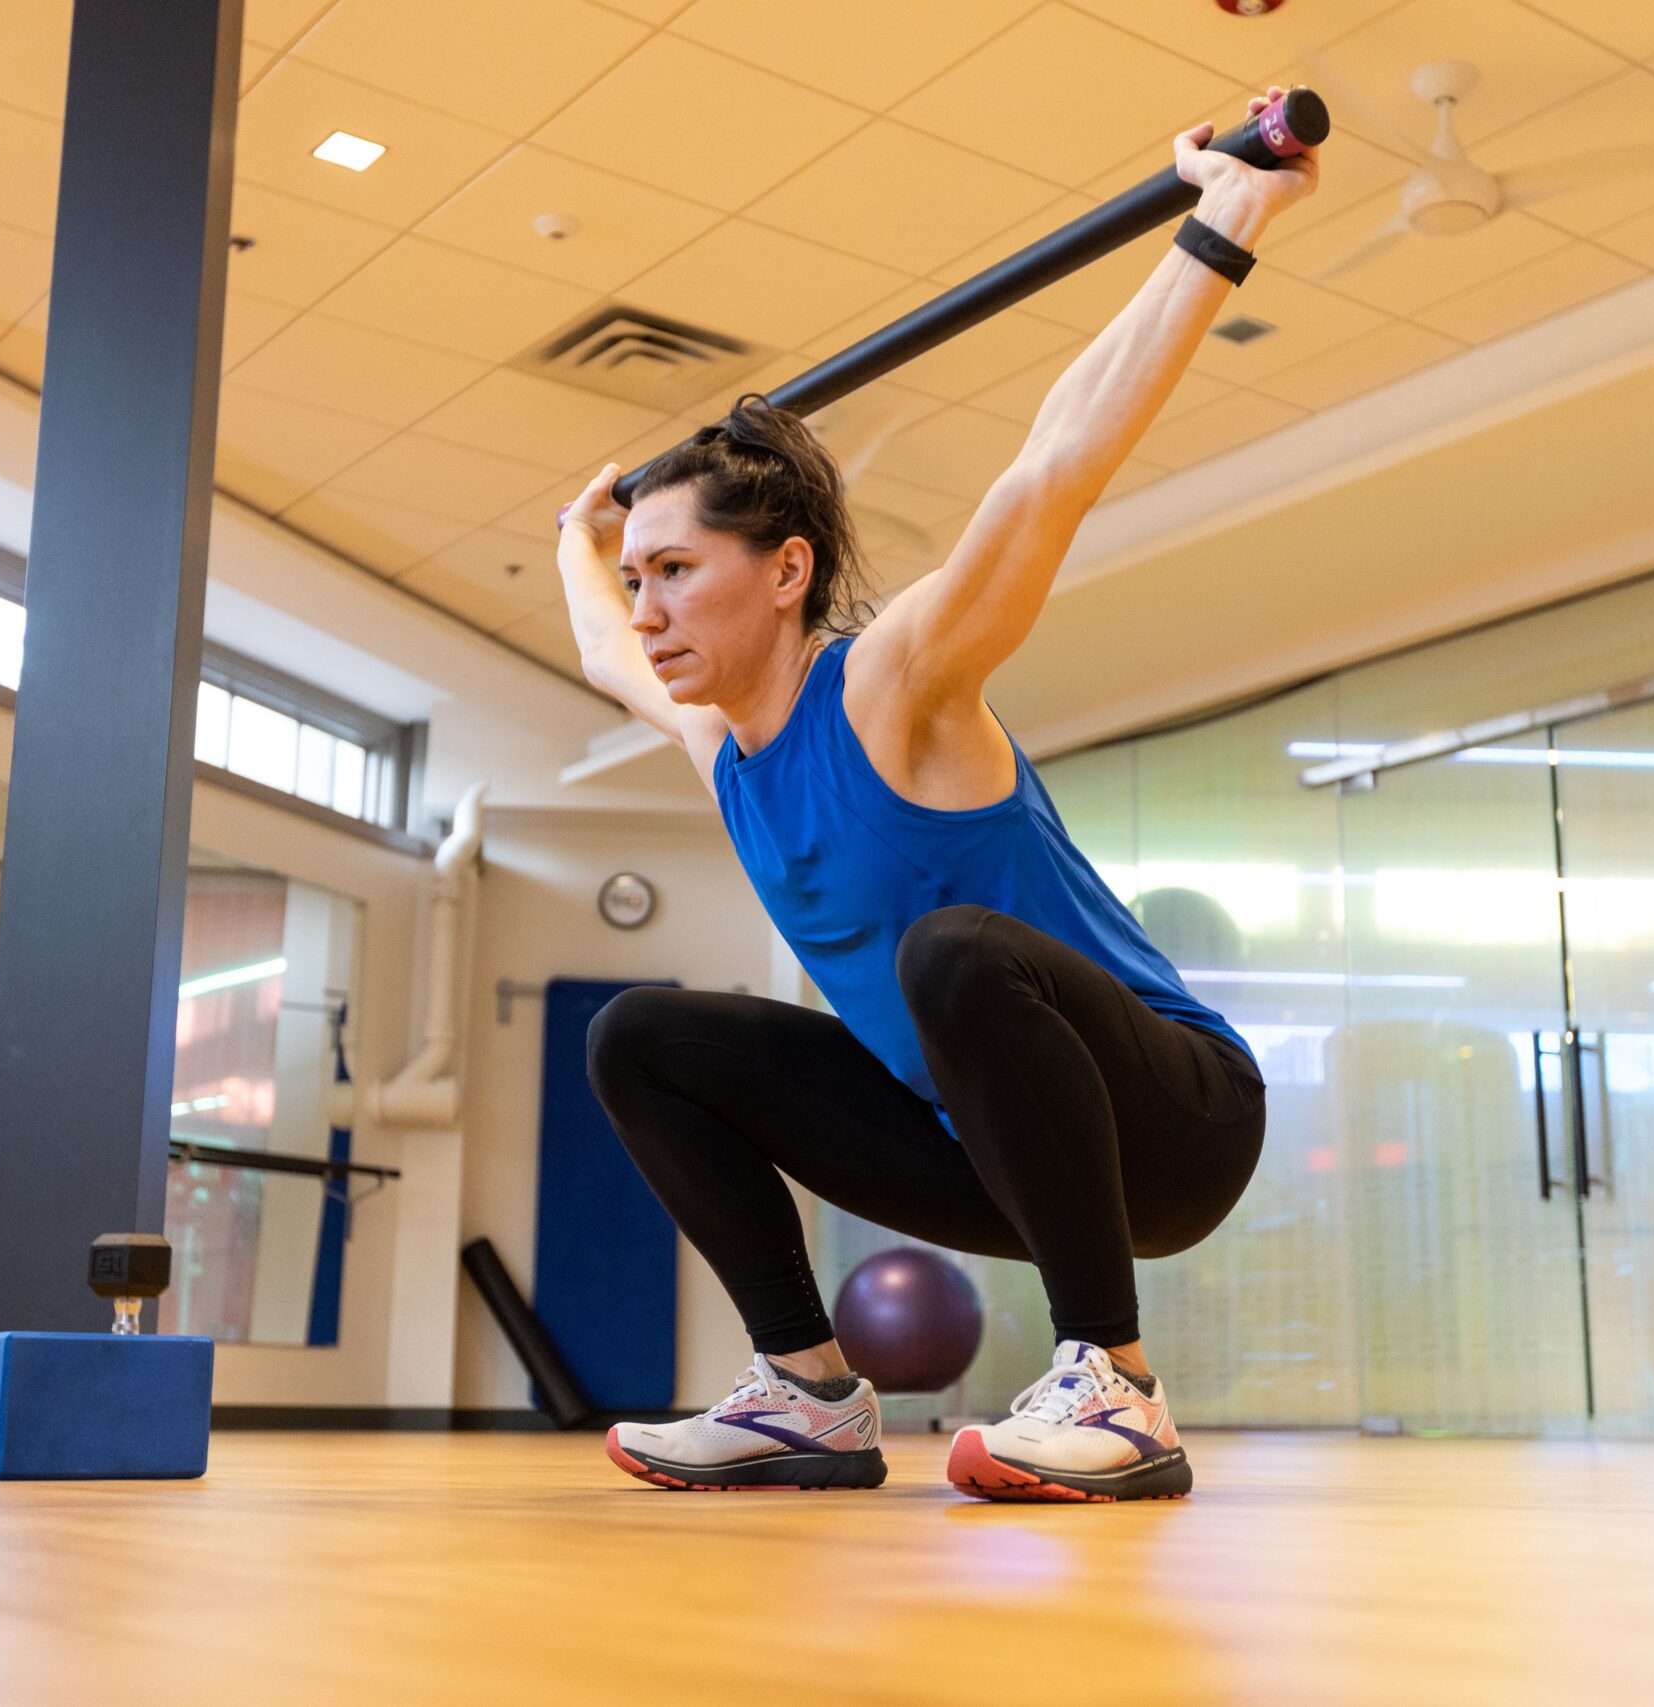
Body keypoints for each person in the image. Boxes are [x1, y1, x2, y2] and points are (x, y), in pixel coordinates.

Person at [555, 92, 1320, 1502]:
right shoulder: (718, 741)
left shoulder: (893, 684)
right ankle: (809, 1395)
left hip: (1173, 1121)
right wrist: (573, 535)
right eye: (639, 575)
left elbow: (1055, 470)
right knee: (640, 1036)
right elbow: (605, 652)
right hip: (991, 1147)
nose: (647, 607)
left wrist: (1227, 218)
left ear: (785, 571)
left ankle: (1118, 1387)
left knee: (950, 948)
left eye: (677, 571)